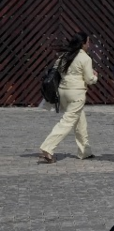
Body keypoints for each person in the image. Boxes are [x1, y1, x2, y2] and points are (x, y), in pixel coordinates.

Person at [38, 31, 97, 163]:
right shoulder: (85, 58)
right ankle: (47, 148)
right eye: (88, 42)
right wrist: (95, 76)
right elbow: (89, 79)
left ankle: (85, 151)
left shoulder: (64, 56)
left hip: (63, 91)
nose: (89, 44)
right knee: (67, 122)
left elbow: (56, 71)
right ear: (83, 43)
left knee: (80, 121)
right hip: (76, 93)